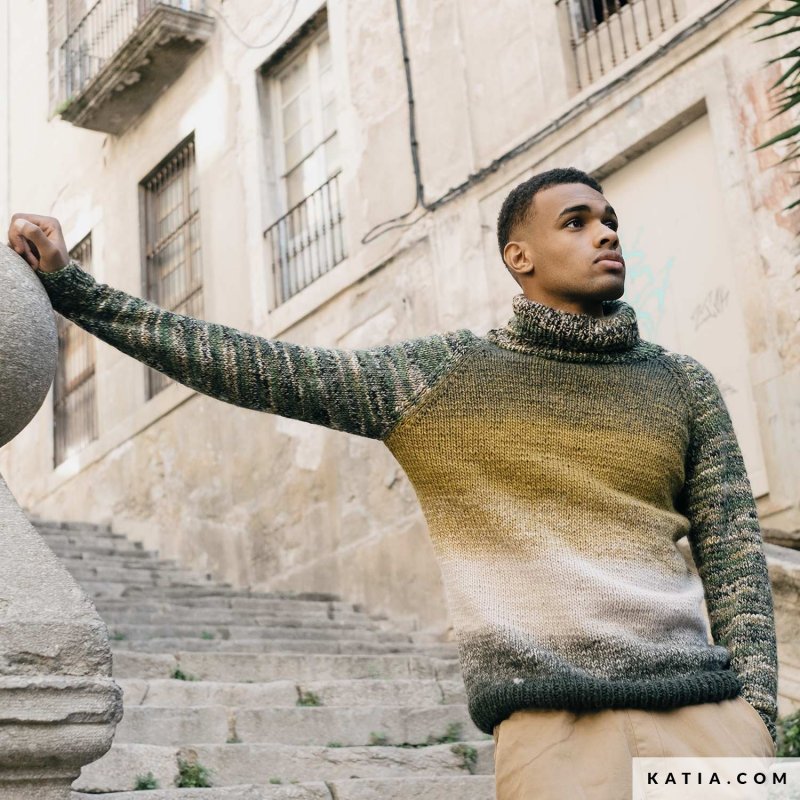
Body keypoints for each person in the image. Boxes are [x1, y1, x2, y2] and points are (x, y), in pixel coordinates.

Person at [7, 166, 778, 798]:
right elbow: (256, 366)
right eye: (576, 222)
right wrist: (75, 289)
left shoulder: (682, 383)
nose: (605, 233)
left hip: (711, 724)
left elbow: (735, 556)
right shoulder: (441, 380)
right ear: (520, 257)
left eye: (609, 220)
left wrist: (757, 719)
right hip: (554, 736)